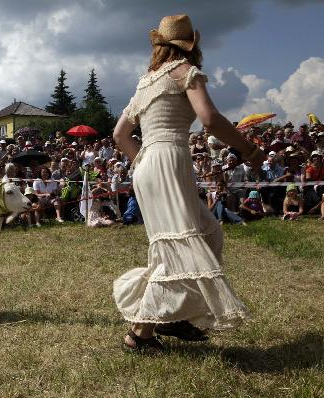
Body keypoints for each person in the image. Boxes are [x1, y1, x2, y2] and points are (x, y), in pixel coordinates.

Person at [112, 15, 265, 353]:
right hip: (168, 158)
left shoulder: (145, 82)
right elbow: (209, 119)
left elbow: (120, 135)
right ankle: (140, 334)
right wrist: (250, 149)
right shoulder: (185, 72)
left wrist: (144, 160)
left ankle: (175, 315)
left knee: (207, 233)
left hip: (147, 162)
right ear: (190, 45)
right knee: (176, 247)